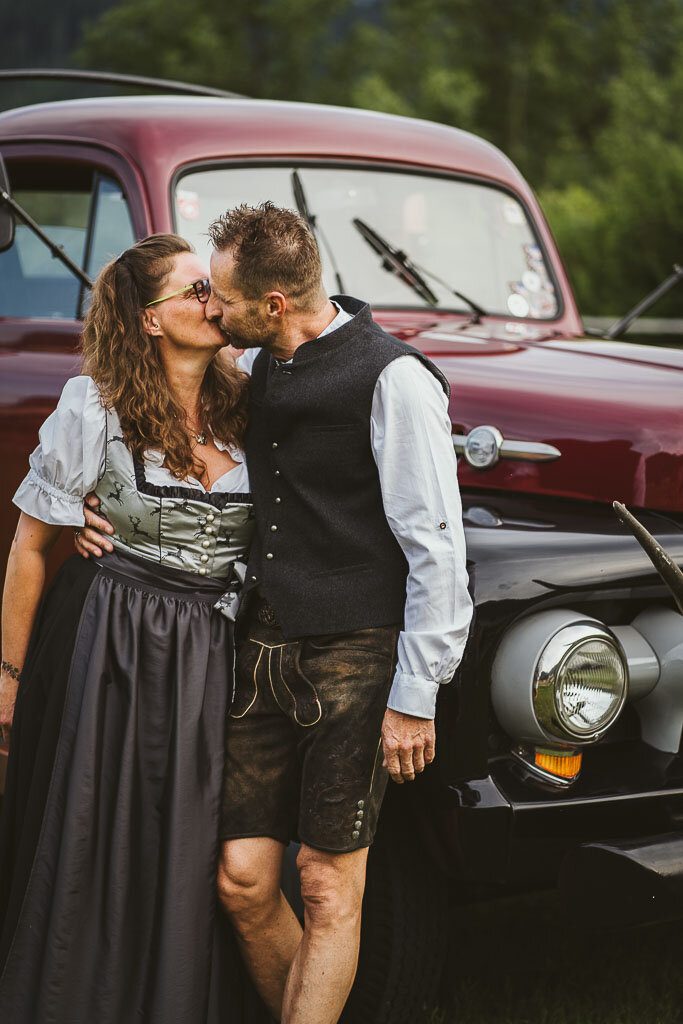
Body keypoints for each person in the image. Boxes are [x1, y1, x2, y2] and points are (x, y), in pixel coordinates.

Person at [77, 203, 473, 1024]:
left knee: (328, 886)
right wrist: (89, 498)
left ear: (275, 306)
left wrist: (415, 696)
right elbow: (178, 443)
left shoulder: (393, 378)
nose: (209, 309)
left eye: (220, 297)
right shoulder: (251, 371)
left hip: (357, 656)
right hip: (260, 644)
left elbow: (436, 545)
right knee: (244, 880)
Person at [0, 234, 268, 1024]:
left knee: (200, 845)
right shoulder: (94, 408)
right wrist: (7, 679)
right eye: (193, 292)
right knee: (97, 829)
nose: (211, 303)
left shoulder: (254, 399)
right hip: (113, 644)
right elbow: (28, 548)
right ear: (148, 321)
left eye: (210, 289)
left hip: (217, 653)